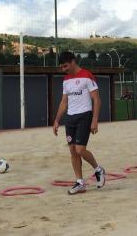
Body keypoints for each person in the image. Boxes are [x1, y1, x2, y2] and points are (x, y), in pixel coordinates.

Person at [53, 51, 105, 195]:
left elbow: (97, 99)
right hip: (70, 118)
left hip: (85, 116)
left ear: (73, 61)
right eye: (62, 67)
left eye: (65, 66)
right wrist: (57, 120)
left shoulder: (87, 76)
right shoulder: (66, 80)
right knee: (72, 151)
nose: (64, 69)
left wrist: (95, 120)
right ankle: (80, 182)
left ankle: (98, 169)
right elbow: (64, 102)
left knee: (80, 150)